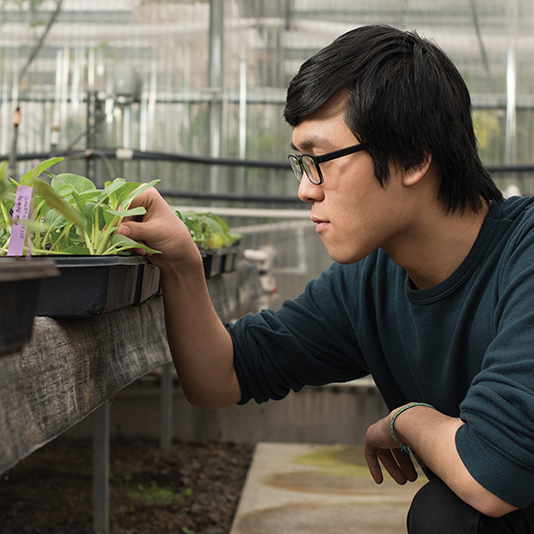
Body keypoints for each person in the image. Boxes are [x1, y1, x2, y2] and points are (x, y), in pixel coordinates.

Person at [118, 25, 534, 533]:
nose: (303, 190)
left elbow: (494, 472)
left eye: (319, 161)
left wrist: (406, 419)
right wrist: (184, 265)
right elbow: (219, 378)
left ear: (414, 157)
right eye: (300, 162)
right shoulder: (369, 282)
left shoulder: (525, 255)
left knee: (448, 515)